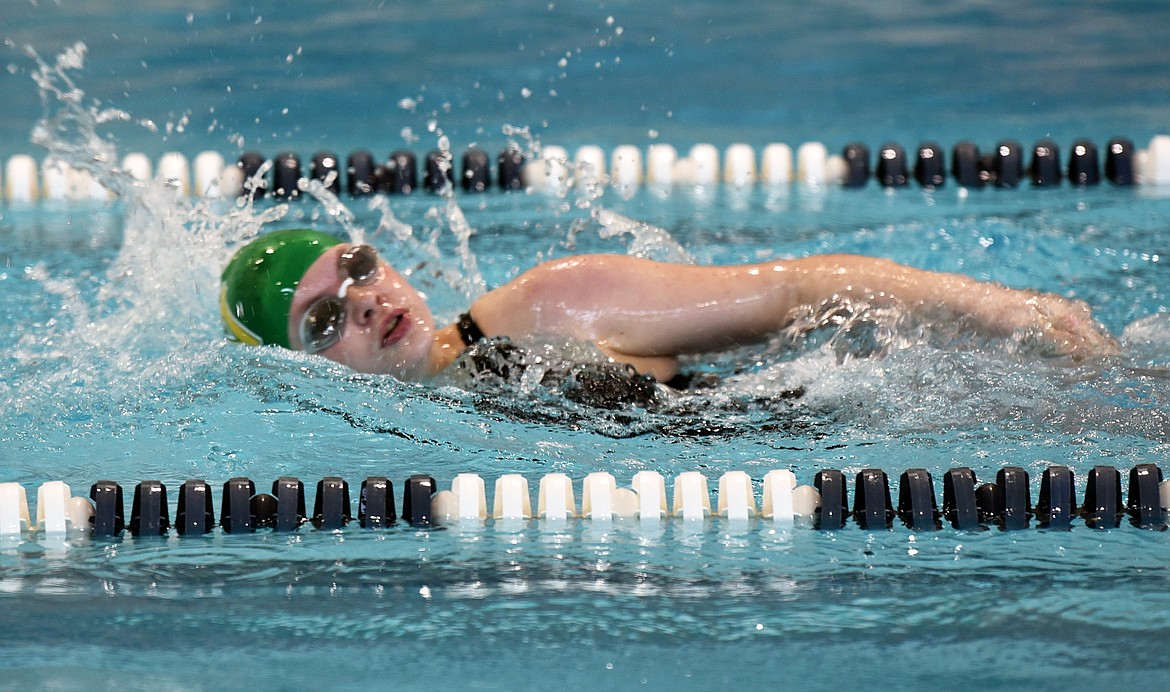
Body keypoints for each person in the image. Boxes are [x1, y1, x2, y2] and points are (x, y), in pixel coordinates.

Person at [220, 228, 1117, 385]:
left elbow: (798, 288)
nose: (368, 303)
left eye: (358, 269)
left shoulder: (546, 305)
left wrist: (1006, 311)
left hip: (867, 402)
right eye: (324, 322)